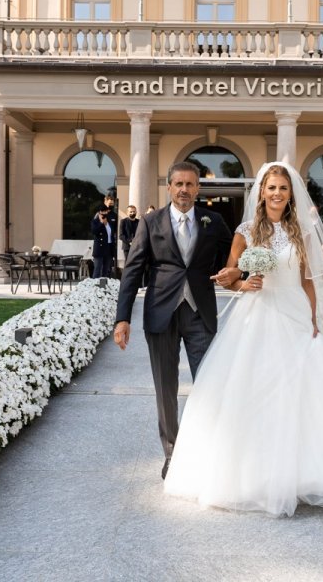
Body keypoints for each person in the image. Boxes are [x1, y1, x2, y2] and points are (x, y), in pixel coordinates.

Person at [164, 162, 323, 517]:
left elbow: (309, 280)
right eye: (272, 188)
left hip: (295, 313)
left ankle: (310, 472)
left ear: (290, 194)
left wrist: (314, 319)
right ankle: (256, 473)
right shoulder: (246, 230)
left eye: (283, 188)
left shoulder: (302, 231)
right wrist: (242, 282)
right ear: (261, 192)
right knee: (256, 387)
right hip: (258, 315)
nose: (278, 194)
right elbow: (229, 276)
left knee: (304, 389)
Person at [113, 162, 233, 480]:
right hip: (160, 314)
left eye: (190, 184)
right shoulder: (151, 222)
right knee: (165, 388)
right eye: (178, 183)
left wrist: (238, 275)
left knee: (208, 383)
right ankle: (172, 454)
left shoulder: (214, 221)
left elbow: (232, 262)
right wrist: (122, 318)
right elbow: (133, 270)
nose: (184, 189)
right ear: (168, 187)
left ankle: (209, 449)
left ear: (198, 188)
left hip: (200, 313)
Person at [91, 205, 115, 278]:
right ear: (99, 213)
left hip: (108, 248)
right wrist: (101, 223)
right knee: (97, 270)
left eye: (105, 211)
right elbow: (94, 231)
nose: (104, 214)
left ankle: (104, 287)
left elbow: (111, 234)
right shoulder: (95, 221)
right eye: (102, 212)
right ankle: (94, 287)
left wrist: (106, 223)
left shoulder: (109, 221)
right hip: (100, 248)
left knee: (106, 270)